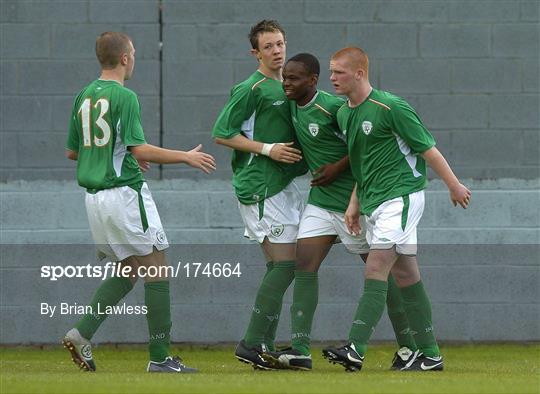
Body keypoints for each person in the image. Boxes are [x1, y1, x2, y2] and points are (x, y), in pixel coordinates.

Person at [63, 31, 216, 373]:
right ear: (125, 58)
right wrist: (185, 157)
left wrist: (122, 153)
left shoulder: (83, 95)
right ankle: (160, 357)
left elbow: (75, 151)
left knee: (129, 270)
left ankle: (81, 332)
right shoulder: (125, 96)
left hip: (94, 201)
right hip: (124, 195)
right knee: (157, 268)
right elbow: (140, 149)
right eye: (133, 53)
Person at [260, 53, 417, 371]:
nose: (286, 83)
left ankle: (410, 347)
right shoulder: (292, 104)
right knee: (304, 264)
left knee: (383, 273)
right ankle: (301, 349)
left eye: (293, 78)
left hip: (351, 204)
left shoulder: (334, 108)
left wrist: (336, 168)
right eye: (284, 78)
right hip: (319, 201)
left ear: (312, 81)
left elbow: (360, 148)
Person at [322, 47, 471, 372]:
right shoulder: (346, 113)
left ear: (360, 73)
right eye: (331, 71)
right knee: (406, 275)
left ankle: (355, 348)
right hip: (375, 203)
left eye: (339, 72)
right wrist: (353, 204)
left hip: (401, 198)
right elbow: (363, 165)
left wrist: (454, 185)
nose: (332, 78)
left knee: (376, 267)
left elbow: (428, 150)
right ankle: (430, 356)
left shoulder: (391, 106)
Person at [212, 20, 307, 370]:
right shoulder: (251, 87)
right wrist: (268, 149)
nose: (277, 50)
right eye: (269, 46)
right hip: (260, 187)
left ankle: (263, 346)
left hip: (281, 186)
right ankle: (251, 342)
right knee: (285, 265)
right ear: (256, 52)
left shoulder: (289, 84)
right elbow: (222, 133)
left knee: (278, 267)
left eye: (280, 43)